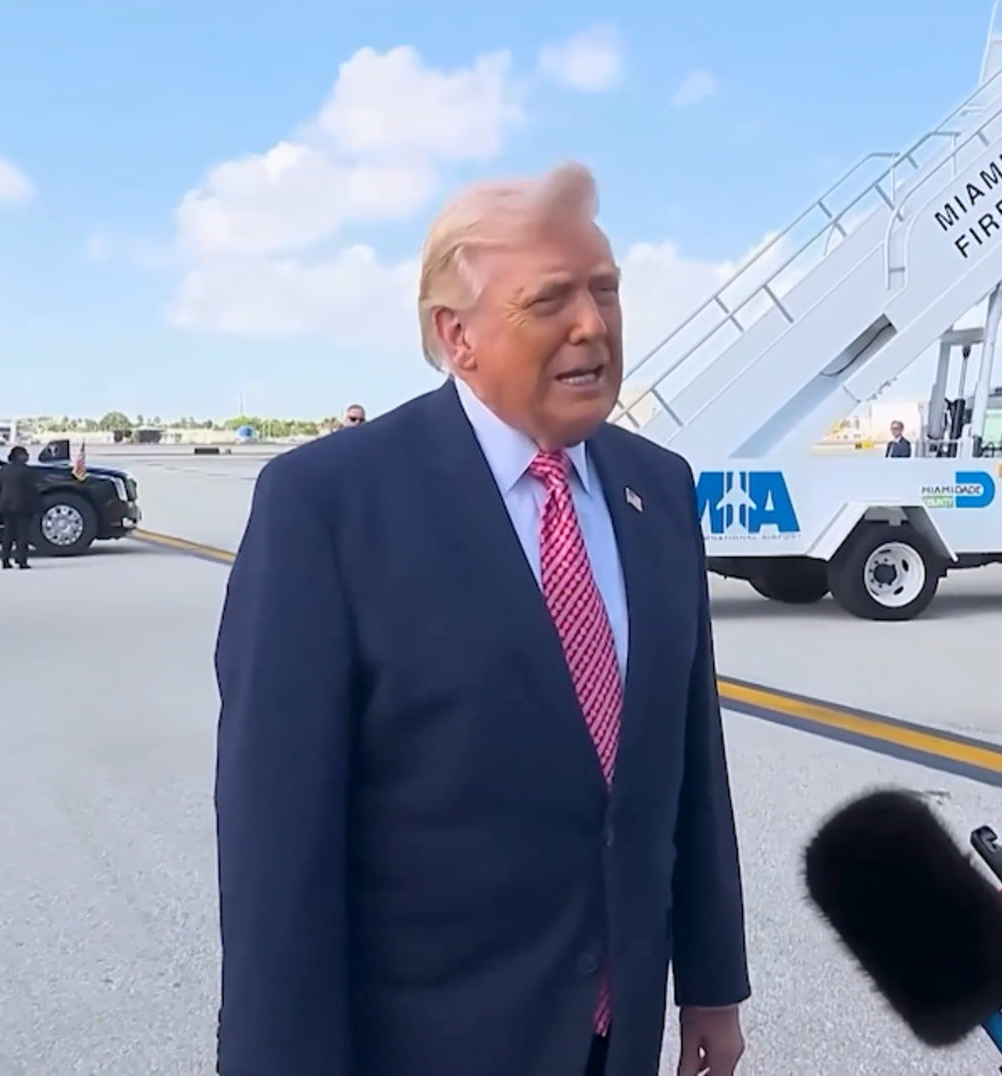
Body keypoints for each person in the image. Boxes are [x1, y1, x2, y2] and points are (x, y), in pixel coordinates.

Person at [214, 161, 750, 1076]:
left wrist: (711, 980)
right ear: (455, 335)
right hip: (426, 1042)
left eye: (606, 291)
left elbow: (688, 761)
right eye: (549, 300)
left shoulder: (658, 489)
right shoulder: (329, 504)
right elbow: (277, 834)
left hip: (617, 1038)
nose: (593, 325)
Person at [0, 444, 42, 569]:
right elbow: (32, 490)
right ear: (20, 457)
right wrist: (39, 506)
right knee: (23, 535)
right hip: (23, 506)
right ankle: (21, 560)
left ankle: (5, 560)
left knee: (8, 534)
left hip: (5, 505)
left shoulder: (4, 469)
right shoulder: (26, 471)